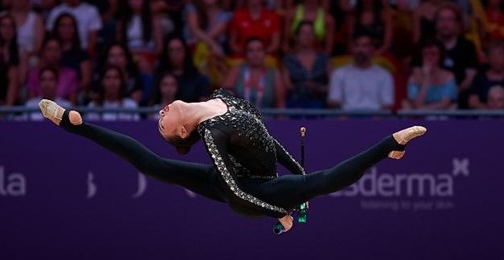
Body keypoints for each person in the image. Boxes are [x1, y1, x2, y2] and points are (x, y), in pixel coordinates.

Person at [38, 90, 427, 233]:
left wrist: (298, 174)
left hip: (252, 179)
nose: (160, 113)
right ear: (183, 134)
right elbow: (235, 189)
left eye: (159, 119)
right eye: (162, 124)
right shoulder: (210, 134)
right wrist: (278, 211)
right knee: (154, 166)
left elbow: (267, 140)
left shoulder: (223, 96)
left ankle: (391, 149)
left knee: (315, 181)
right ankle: (77, 125)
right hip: (249, 191)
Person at [327, 33, 394, 111]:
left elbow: (387, 105)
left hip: (375, 118)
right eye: (357, 45)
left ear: (372, 49)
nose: (360, 50)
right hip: (347, 118)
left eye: (365, 46)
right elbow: (334, 101)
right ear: (352, 48)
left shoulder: (384, 75)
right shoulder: (339, 73)